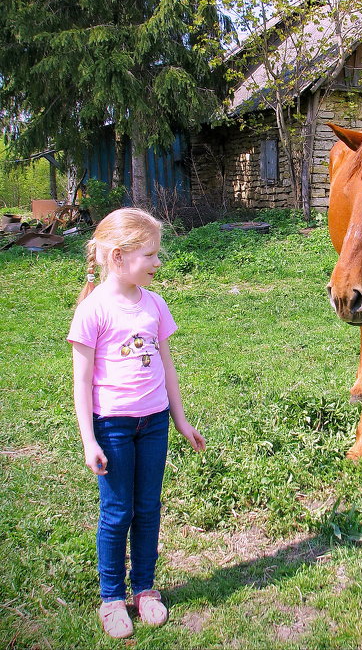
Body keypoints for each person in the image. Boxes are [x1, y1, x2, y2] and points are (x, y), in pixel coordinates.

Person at [67, 207, 205, 639]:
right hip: (113, 427)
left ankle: (144, 589)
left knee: (148, 508)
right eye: (151, 255)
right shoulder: (93, 310)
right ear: (118, 257)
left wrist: (180, 421)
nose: (158, 263)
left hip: (155, 423)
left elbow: (167, 366)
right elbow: (83, 380)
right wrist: (89, 440)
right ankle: (112, 598)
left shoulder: (156, 305)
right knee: (117, 511)